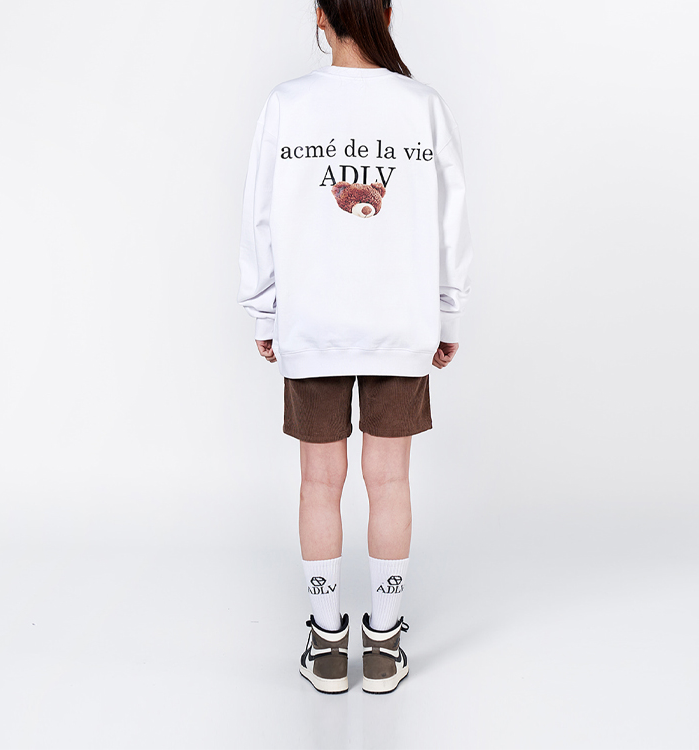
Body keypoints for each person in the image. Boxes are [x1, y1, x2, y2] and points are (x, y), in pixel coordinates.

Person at [237, 0, 473, 695]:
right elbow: (451, 220)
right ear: (387, 15)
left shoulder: (288, 105)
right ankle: (384, 645)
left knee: (319, 481)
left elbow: (258, 214)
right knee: (389, 480)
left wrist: (264, 310)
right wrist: (446, 313)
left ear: (320, 16)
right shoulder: (422, 106)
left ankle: (327, 643)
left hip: (312, 323)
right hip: (401, 323)